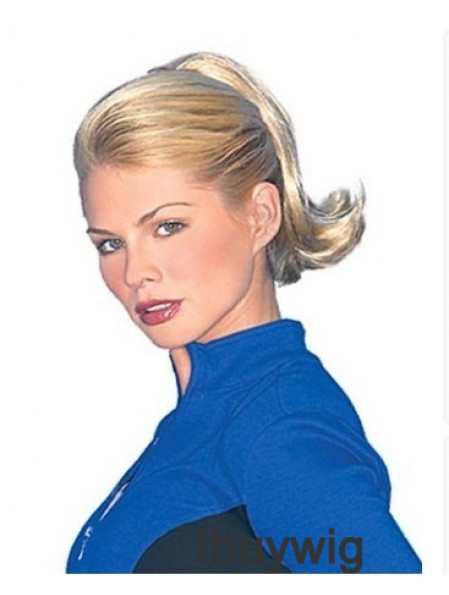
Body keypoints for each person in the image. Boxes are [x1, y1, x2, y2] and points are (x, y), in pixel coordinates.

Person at [66, 51, 421, 574]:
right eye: (111, 243)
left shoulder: (281, 429)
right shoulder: (209, 416)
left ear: (260, 215)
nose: (135, 271)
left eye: (168, 227)